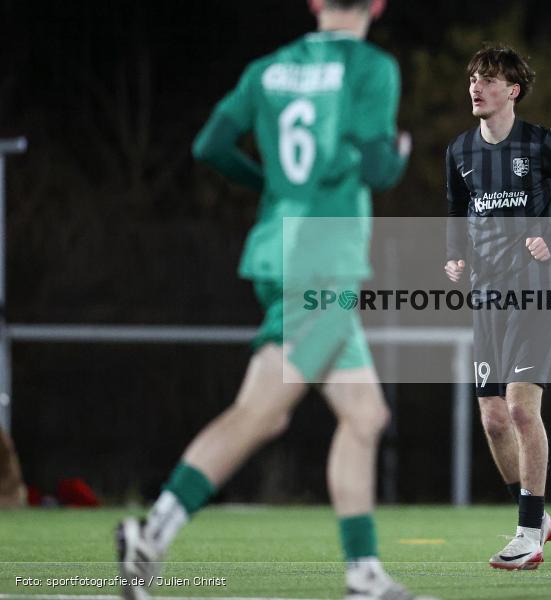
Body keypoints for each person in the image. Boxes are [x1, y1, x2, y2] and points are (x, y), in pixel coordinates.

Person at [114, 2, 432, 600]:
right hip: (322, 257)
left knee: (364, 415)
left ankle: (364, 575)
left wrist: (273, 187)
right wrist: (402, 148)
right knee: (265, 412)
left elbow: (210, 144)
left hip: (280, 246)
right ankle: (151, 533)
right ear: (378, 5)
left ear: (315, 2)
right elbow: (380, 167)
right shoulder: (371, 68)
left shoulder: (268, 68)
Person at [443, 45, 551, 571]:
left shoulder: (541, 144)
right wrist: (454, 256)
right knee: (493, 421)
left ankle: (527, 534)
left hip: (536, 291)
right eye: (473, 78)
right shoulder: (460, 151)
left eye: (488, 80)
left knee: (519, 408)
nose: (476, 87)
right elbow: (456, 210)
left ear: (512, 90)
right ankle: (536, 511)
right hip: (487, 297)